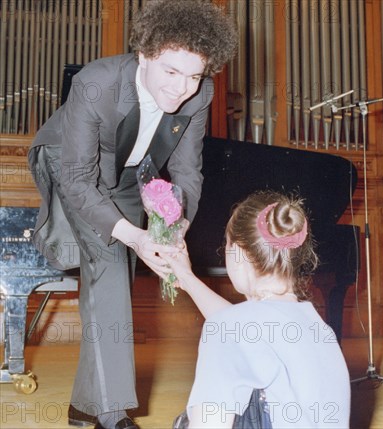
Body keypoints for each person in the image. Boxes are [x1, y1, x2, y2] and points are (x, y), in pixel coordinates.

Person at [27, 2, 237, 429]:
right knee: (109, 259)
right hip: (70, 162)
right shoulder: (95, 84)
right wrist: (136, 236)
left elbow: (185, 170)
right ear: (144, 54)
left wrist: (176, 227)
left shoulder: (201, 95)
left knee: (118, 265)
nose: (182, 89)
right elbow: (81, 180)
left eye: (194, 76)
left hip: (127, 167)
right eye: (171, 72)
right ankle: (111, 415)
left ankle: (85, 406)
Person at [163, 191, 351, 428]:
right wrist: (186, 277)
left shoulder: (230, 328)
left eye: (227, 244)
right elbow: (243, 329)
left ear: (239, 253)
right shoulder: (318, 327)